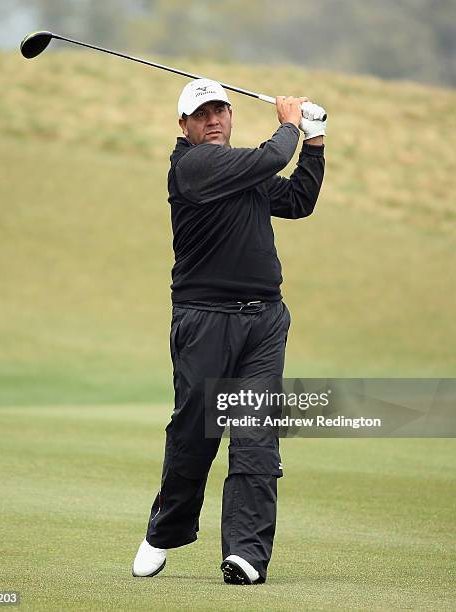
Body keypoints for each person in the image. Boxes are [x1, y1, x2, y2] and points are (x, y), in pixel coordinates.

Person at [132, 78, 325, 584]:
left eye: (221, 111)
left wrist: (316, 142)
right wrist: (289, 124)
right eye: (202, 115)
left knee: (257, 438)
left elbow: (299, 199)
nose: (214, 120)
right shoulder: (192, 168)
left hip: (264, 322)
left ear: (232, 116)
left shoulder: (242, 170)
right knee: (196, 433)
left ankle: (246, 554)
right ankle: (164, 530)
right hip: (204, 322)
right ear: (184, 127)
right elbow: (268, 159)